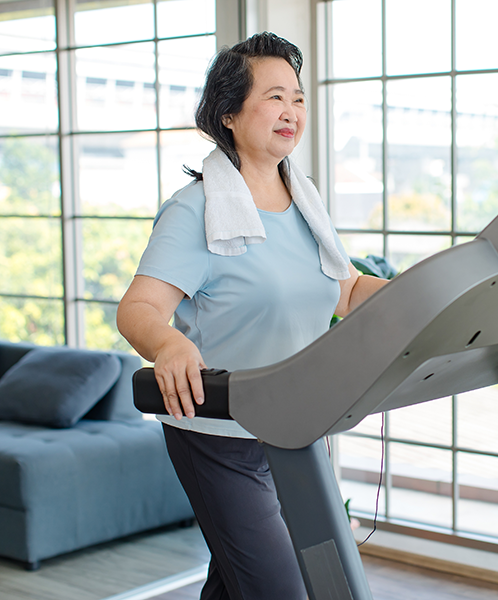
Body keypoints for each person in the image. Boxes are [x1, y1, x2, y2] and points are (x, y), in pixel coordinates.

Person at [116, 32, 387, 600]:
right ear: (228, 114)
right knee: (282, 587)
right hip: (221, 434)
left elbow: (346, 293)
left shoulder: (305, 200)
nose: (291, 112)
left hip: (297, 427)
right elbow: (138, 308)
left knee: (240, 580)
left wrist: (430, 292)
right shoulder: (195, 210)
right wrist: (169, 346)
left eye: (298, 98)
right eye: (274, 97)